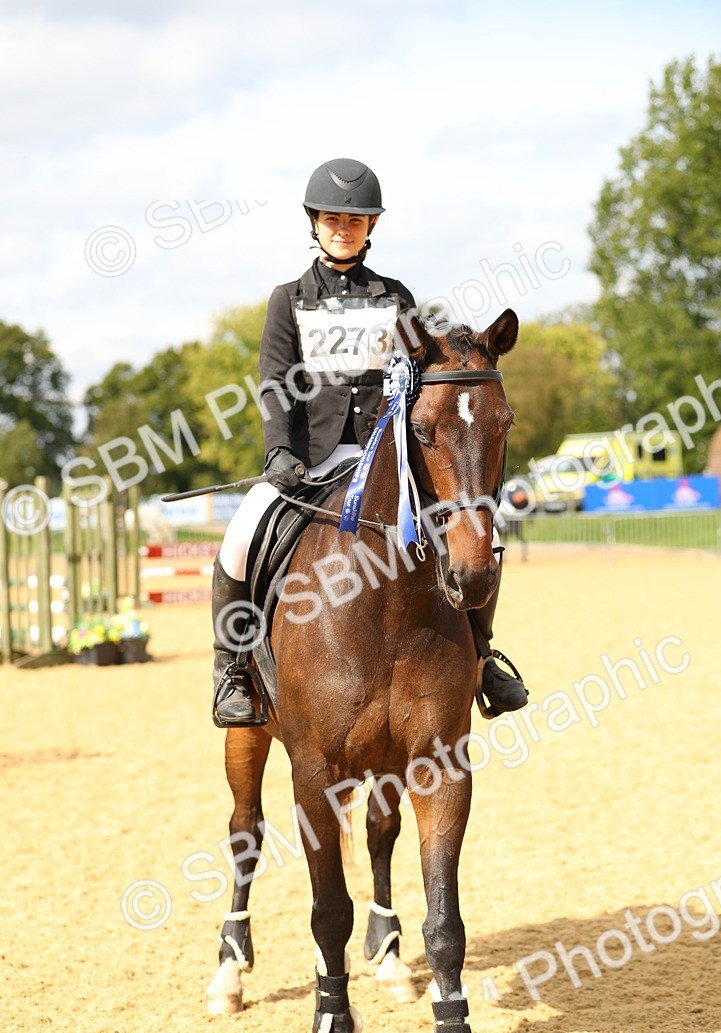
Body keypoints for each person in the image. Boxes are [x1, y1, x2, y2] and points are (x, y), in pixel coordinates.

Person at [211, 157, 528, 726]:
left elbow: (420, 384)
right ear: (314, 222)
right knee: (239, 539)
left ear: (371, 227)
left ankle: (483, 657)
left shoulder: (395, 296)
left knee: (481, 534)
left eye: (354, 220)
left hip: (387, 456)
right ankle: (233, 669)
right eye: (332, 218)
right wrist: (279, 452)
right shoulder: (289, 299)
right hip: (308, 463)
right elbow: (274, 380)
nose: (343, 228)